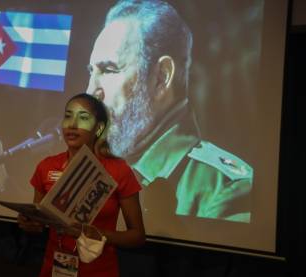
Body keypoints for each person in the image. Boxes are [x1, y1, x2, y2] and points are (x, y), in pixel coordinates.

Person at [85, 0, 253, 224]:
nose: (89, 92)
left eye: (109, 70)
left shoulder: (226, 188)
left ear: (161, 77)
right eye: (91, 71)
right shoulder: (93, 168)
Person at [18, 93, 145, 277]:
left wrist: (98, 234)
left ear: (99, 128)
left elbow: (137, 236)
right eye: (68, 116)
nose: (72, 124)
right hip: (54, 272)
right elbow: (39, 222)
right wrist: (29, 223)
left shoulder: (118, 170)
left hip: (99, 274)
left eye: (83, 117)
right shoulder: (46, 166)